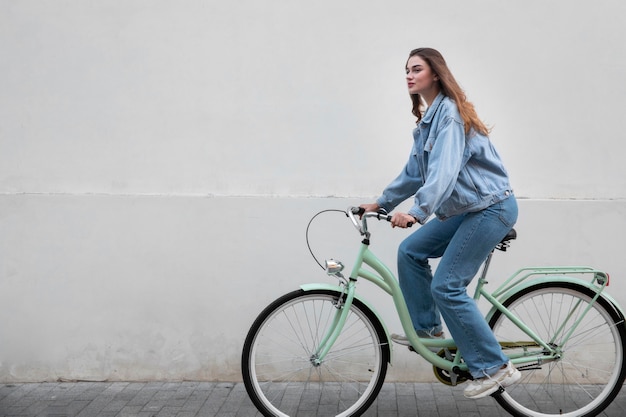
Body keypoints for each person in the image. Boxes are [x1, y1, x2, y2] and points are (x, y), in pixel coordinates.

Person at [360, 47, 520, 399]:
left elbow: (444, 171)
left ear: (435, 74)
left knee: (447, 286)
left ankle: (495, 367)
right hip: (470, 209)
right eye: (406, 70)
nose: (409, 75)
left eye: (416, 69)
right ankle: (433, 337)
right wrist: (382, 203)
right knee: (410, 251)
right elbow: (415, 173)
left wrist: (417, 212)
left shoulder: (449, 114)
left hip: (492, 208)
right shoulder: (428, 120)